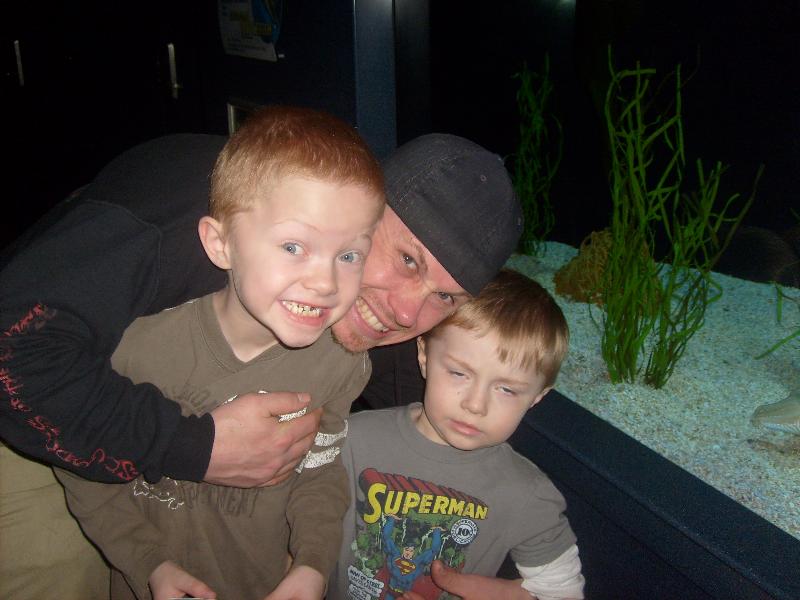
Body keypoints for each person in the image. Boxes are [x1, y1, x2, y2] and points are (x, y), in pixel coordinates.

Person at [0, 128, 522, 598]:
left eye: (445, 297)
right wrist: (195, 445)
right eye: (407, 260)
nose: (407, 313)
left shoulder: (384, 322)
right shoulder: (179, 226)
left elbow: (447, 438)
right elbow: (15, 355)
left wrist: (513, 578)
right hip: (35, 375)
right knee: (56, 565)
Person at [51, 104, 386, 600]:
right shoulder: (135, 346)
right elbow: (85, 468)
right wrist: (149, 565)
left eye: (350, 254)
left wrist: (312, 563)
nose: (325, 281)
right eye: (294, 246)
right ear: (219, 243)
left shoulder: (341, 364)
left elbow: (319, 473)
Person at [329, 269, 585, 600]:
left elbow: (563, 591)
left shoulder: (527, 493)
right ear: (424, 356)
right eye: (459, 373)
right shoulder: (351, 439)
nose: (476, 404)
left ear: (537, 397)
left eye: (507, 389)